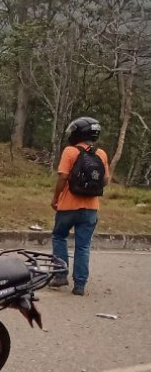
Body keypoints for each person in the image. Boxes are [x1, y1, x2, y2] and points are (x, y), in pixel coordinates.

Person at [50, 117, 110, 296]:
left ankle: (61, 275)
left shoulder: (70, 151)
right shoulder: (101, 154)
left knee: (59, 237)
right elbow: (105, 180)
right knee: (83, 246)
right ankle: (80, 285)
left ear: (78, 133)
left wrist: (56, 198)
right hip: (91, 208)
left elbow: (62, 177)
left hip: (68, 206)